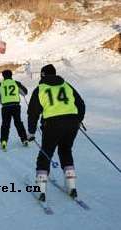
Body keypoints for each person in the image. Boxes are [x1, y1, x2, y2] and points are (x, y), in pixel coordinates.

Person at [27, 64, 85, 202]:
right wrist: (78, 119)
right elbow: (81, 104)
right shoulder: (66, 85)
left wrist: (31, 132)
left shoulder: (40, 89)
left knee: (45, 154)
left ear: (43, 75)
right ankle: (71, 186)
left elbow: (33, 113)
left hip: (52, 124)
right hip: (72, 123)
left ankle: (40, 189)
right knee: (65, 150)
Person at [0, 70, 29, 150]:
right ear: (11, 75)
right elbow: (25, 92)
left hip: (5, 107)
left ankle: (4, 141)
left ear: (3, 76)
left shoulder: (1, 84)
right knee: (18, 123)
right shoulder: (15, 83)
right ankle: (24, 139)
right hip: (16, 106)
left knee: (5, 125)